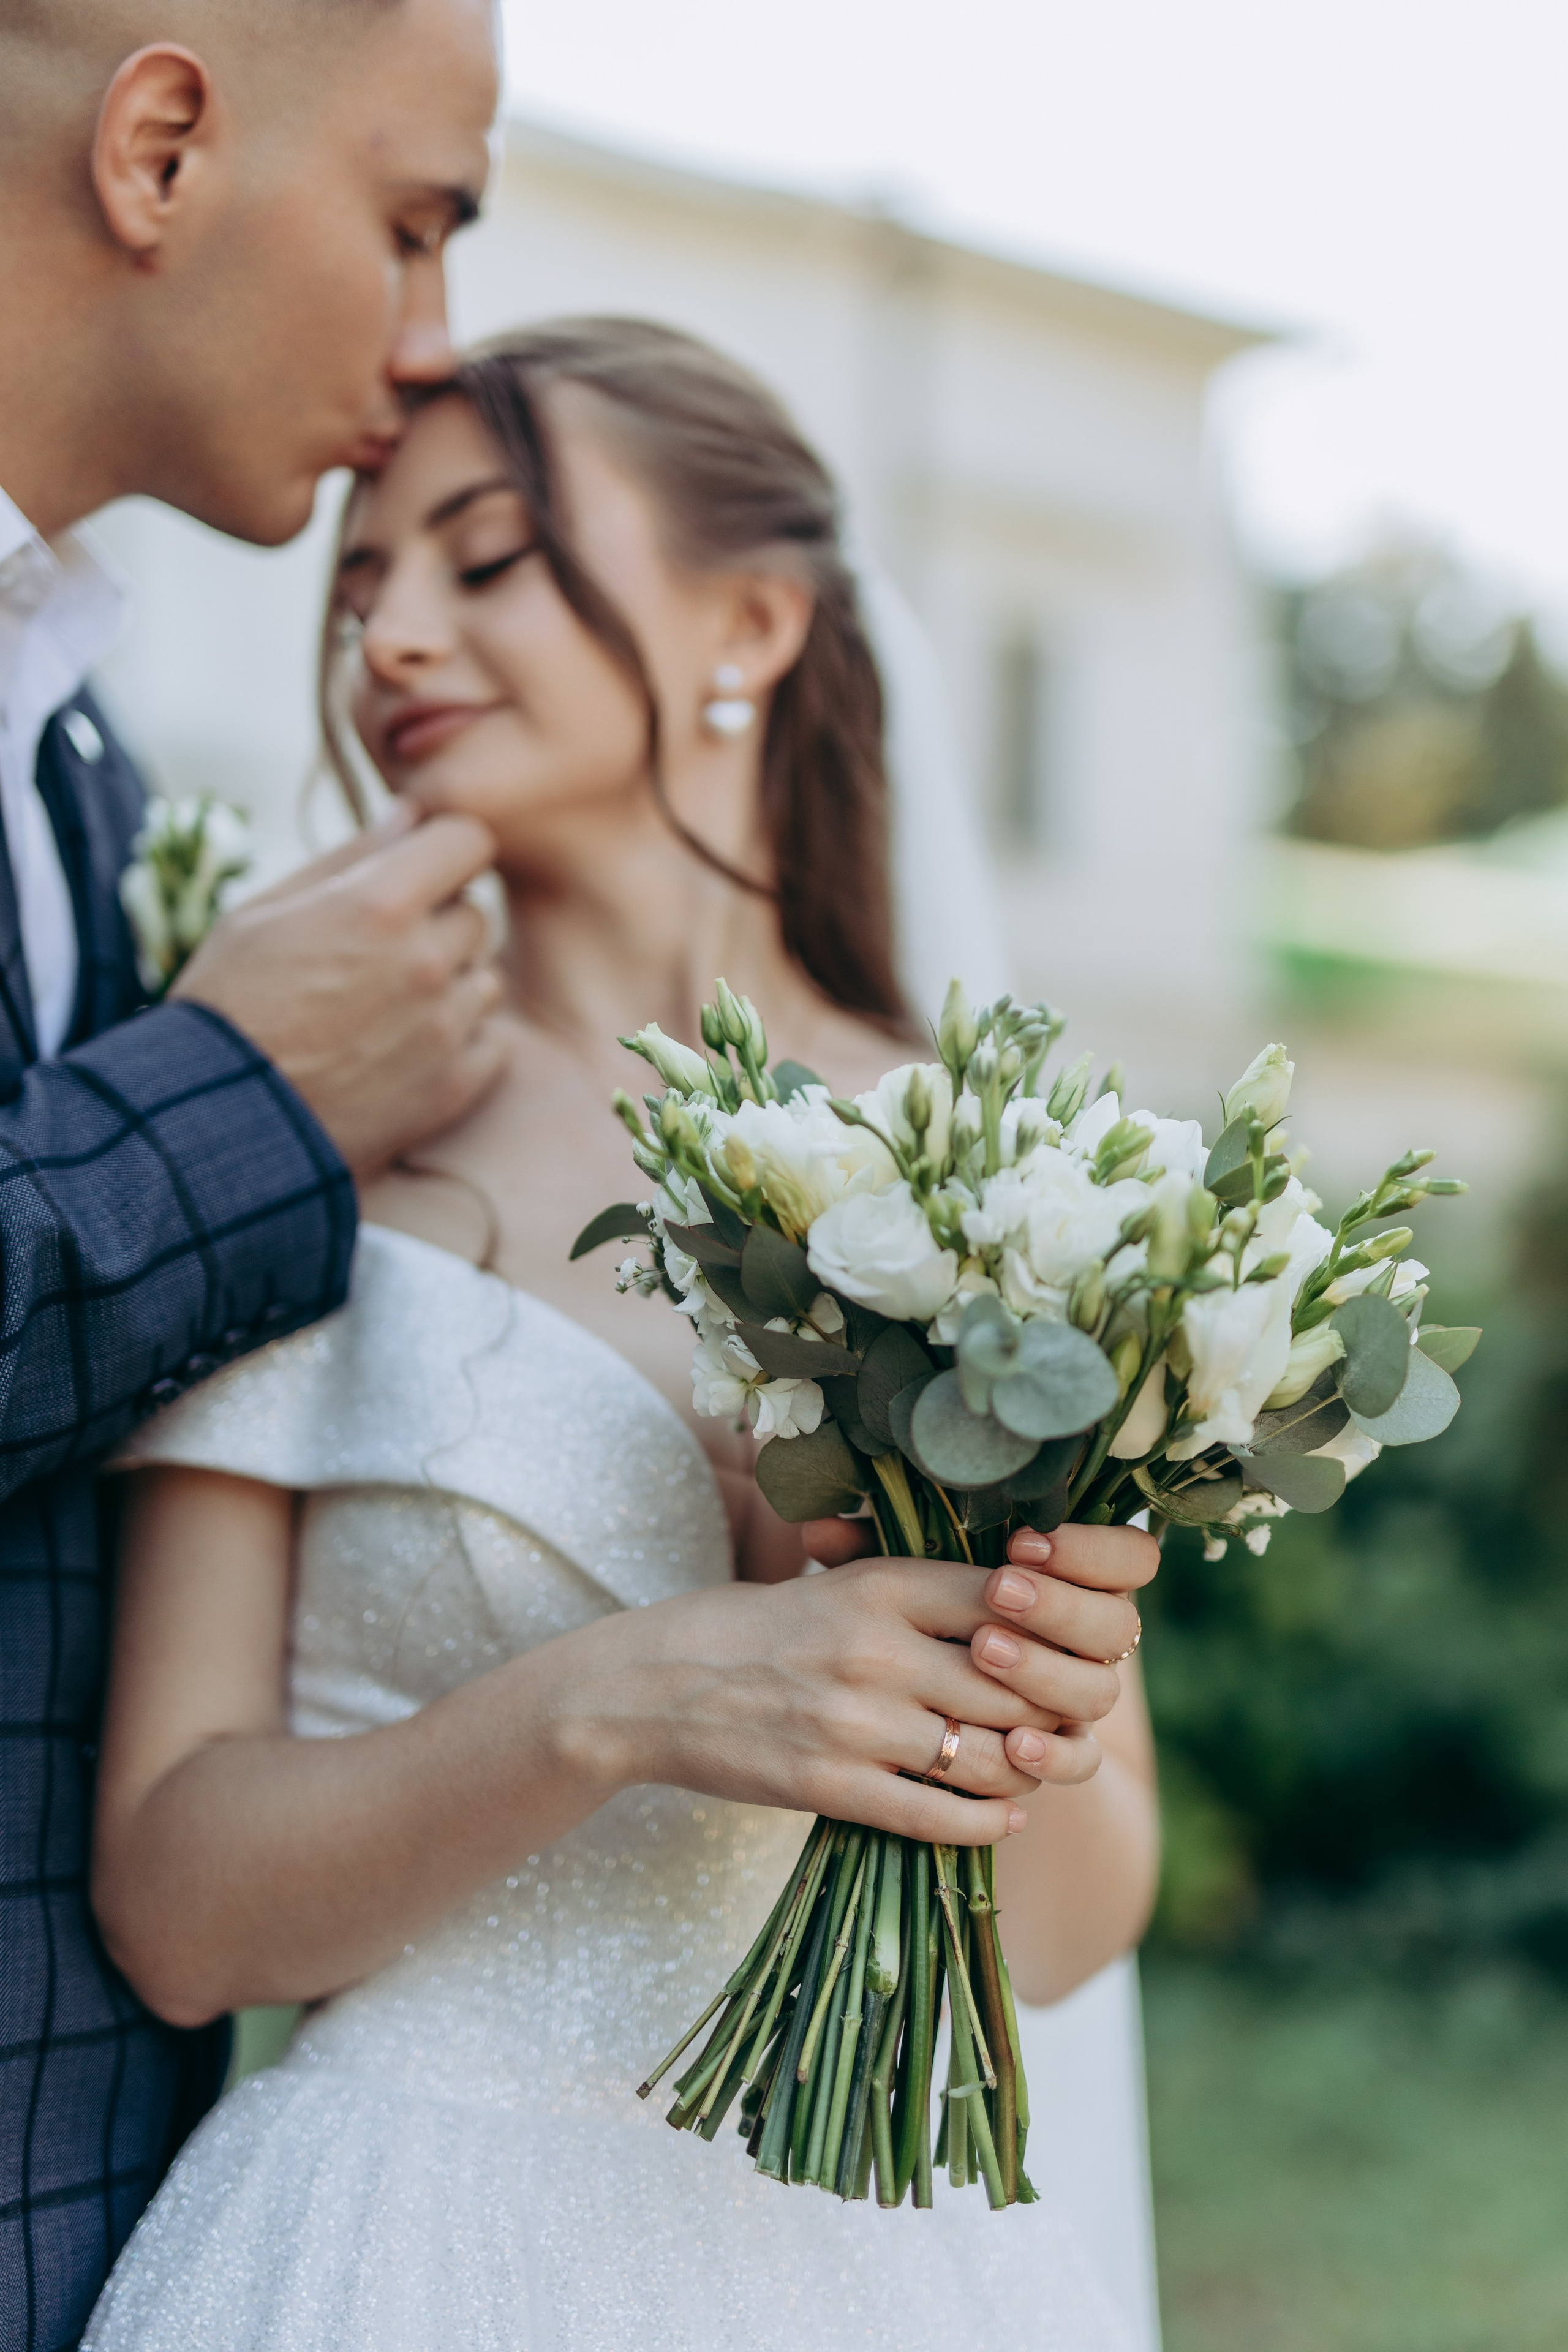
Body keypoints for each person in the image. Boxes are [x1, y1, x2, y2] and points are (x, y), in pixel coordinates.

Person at [81, 322, 1162, 2352]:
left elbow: (1072, 1931)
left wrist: (971, 1633)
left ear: (753, 617)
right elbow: (174, 1906)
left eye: (481, 560)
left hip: (869, 2262)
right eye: (363, 583)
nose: (390, 633)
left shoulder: (989, 1173)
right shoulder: (305, 1127)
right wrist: (621, 1700)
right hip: (395, 2248)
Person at [0, 5, 509, 2346]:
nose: (428, 355)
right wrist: (241, 1094)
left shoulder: (69, 747)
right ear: (162, 143)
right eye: (415, 229)